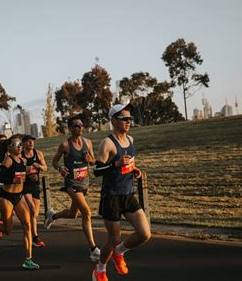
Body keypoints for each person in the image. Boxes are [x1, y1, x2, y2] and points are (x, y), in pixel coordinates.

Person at [91, 104, 151, 281]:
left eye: (129, 119)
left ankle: (119, 253)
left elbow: (128, 163)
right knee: (113, 237)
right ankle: (100, 269)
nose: (128, 122)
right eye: (124, 118)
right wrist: (115, 165)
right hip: (111, 197)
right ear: (113, 121)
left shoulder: (131, 140)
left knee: (145, 233)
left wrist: (134, 169)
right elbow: (96, 170)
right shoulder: (107, 143)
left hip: (128, 194)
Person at [0, 135, 40, 270]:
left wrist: (31, 174)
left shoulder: (23, 160)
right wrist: (13, 179)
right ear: (9, 148)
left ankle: (28, 259)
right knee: (7, 230)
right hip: (6, 197)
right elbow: (0, 177)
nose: (20, 146)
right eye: (16, 144)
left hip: (19, 196)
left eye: (20, 144)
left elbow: (22, 175)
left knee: (28, 226)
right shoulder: (8, 159)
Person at [46, 114, 100, 262]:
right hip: (71, 183)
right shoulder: (65, 145)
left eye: (82, 125)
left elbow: (93, 161)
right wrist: (60, 169)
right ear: (70, 128)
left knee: (72, 214)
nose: (80, 127)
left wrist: (91, 160)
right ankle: (93, 249)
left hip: (84, 183)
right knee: (86, 213)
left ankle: (53, 216)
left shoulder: (88, 142)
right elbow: (55, 162)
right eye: (77, 125)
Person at [21, 134, 47, 247]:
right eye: (28, 141)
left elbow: (45, 167)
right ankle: (35, 236)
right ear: (23, 143)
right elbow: (16, 170)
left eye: (32, 141)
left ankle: (30, 233)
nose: (31, 143)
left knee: (34, 213)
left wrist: (39, 166)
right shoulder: (20, 155)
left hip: (35, 185)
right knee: (31, 207)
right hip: (24, 186)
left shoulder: (38, 154)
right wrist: (27, 171)